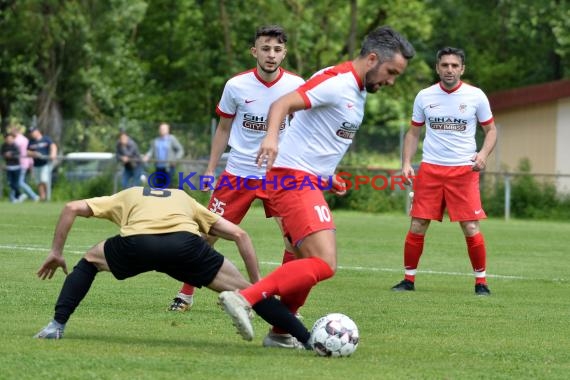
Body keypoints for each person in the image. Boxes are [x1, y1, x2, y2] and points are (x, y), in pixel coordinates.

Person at [217, 26, 415, 341]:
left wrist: (326, 175)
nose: (391, 80)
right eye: (391, 72)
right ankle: (244, 298)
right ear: (373, 58)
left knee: (302, 259)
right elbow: (280, 105)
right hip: (292, 180)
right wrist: (270, 139)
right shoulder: (337, 83)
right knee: (324, 261)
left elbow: (315, 134)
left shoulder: (357, 89)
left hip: (305, 178)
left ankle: (281, 333)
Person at [167, 25, 305, 349]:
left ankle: (282, 304)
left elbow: (302, 132)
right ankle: (185, 293)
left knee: (294, 238)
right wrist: (211, 169)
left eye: (277, 49)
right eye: (265, 48)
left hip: (279, 174)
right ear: (253, 51)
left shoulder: (296, 86)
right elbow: (224, 127)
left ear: (284, 53)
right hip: (238, 172)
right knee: (207, 235)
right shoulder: (236, 85)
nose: (271, 55)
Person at [33, 186, 311, 346]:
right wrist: (257, 285)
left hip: (137, 245)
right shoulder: (184, 198)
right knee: (247, 291)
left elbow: (71, 207)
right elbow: (239, 234)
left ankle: (56, 326)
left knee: (90, 261)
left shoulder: (127, 194)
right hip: (186, 247)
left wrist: (57, 252)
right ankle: (307, 339)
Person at [390, 47, 497, 296]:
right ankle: (408, 280)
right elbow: (414, 132)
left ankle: (481, 283)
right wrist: (406, 163)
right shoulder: (425, 96)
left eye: (454, 65)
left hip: (464, 170)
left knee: (470, 227)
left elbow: (491, 130)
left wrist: (482, 155)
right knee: (417, 224)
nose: (449, 69)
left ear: (462, 69)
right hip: (430, 169)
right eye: (445, 65)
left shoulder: (476, 96)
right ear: (437, 68)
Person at [143, 122, 184, 187]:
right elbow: (151, 151)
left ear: (168, 130)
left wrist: (175, 159)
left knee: (168, 187)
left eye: (164, 129)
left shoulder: (172, 139)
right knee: (158, 187)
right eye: (161, 129)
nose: (162, 130)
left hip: (169, 167)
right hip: (158, 167)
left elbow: (180, 150)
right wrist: (147, 156)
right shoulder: (156, 140)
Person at [10, 123, 40, 202]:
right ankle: (14, 198)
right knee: (15, 181)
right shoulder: (25, 139)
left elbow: (25, 152)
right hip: (21, 163)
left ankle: (33, 196)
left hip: (22, 163)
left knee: (19, 182)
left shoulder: (19, 140)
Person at [27, 127, 57, 201]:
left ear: (37, 131)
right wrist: (34, 153)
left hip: (45, 164)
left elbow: (53, 146)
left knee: (44, 180)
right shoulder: (31, 141)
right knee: (39, 182)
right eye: (30, 133)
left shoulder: (46, 139)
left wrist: (53, 154)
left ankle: (48, 196)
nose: (32, 134)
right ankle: (42, 198)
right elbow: (27, 152)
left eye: (33, 132)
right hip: (36, 164)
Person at [1, 133, 21, 203]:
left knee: (15, 183)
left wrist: (11, 154)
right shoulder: (4, 146)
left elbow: (18, 154)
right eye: (7, 138)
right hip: (8, 167)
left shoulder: (15, 146)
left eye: (10, 138)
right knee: (10, 183)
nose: (9, 140)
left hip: (16, 167)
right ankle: (18, 195)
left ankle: (16, 196)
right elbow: (2, 155)